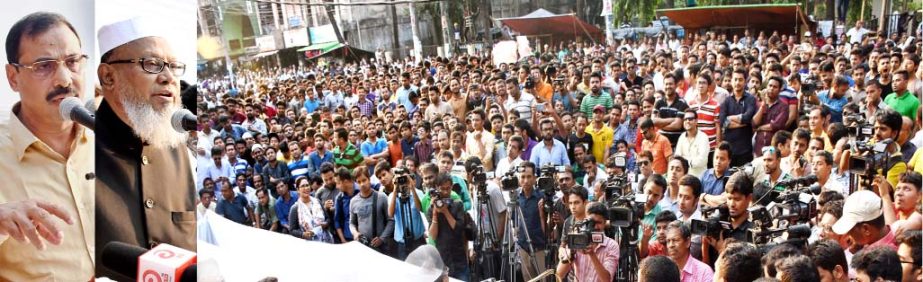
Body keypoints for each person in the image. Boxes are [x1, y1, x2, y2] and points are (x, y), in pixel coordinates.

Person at [94, 16, 195, 280]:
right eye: (151, 64)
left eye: (174, 67)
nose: (168, 78)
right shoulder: (77, 151)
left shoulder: (181, 148)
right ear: (108, 77)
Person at [0, 12, 93, 280]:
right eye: (44, 66)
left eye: (73, 62)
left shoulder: (108, 139)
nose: (64, 80)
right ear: (13, 77)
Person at [556, 202, 619, 282]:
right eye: (591, 223)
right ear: (585, 220)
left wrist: (592, 254)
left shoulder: (612, 245)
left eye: (599, 222)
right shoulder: (577, 239)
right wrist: (571, 252)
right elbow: (560, 274)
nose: (595, 227)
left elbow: (607, 280)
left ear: (604, 223)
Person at [426, 173, 470, 281]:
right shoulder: (431, 209)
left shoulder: (458, 204)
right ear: (437, 188)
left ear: (451, 187)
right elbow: (433, 235)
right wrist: (435, 213)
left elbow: (458, 229)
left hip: (459, 257)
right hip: (443, 259)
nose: (445, 192)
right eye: (442, 189)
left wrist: (445, 211)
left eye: (448, 188)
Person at [832, 190, 898, 250]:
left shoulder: (879, 258)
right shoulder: (896, 233)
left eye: (850, 230)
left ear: (866, 229)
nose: (848, 234)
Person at [349, 166, 394, 254]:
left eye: (364, 180)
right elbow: (352, 223)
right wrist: (355, 233)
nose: (362, 184)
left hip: (382, 247)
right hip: (363, 247)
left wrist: (382, 238)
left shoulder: (381, 197)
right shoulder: (353, 201)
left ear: (369, 179)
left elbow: (391, 220)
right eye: (359, 182)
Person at [515, 161, 548, 281]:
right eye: (523, 177)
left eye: (529, 177)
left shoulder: (542, 197)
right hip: (524, 249)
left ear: (535, 178)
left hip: (540, 248)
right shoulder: (516, 197)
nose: (525, 180)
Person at [720, 68, 758, 166]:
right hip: (729, 150)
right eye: (735, 79)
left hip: (745, 149)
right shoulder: (726, 101)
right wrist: (744, 123)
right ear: (732, 81)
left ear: (745, 82)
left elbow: (748, 117)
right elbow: (723, 122)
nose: (737, 82)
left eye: (740, 80)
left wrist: (730, 118)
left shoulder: (751, 99)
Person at [288, 175, 331, 242]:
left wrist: (325, 224)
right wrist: (303, 234)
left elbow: (328, 219)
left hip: (325, 239)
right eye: (303, 186)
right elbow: (292, 230)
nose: (306, 188)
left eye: (307, 185)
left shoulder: (317, 202)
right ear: (298, 190)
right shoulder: (295, 208)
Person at [675, 110, 710, 178]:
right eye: (685, 119)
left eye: (690, 119)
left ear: (696, 121)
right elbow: (677, 157)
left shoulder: (703, 137)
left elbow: (702, 161)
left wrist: (684, 161)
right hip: (684, 178)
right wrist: (690, 161)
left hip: (699, 178)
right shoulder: (682, 137)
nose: (687, 121)